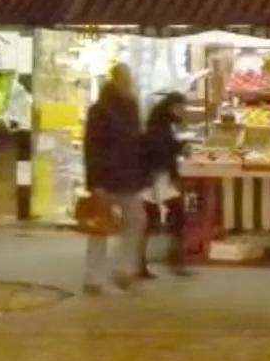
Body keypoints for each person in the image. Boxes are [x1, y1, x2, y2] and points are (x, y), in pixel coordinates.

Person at [79, 63, 148, 295]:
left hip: (128, 176)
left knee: (136, 220)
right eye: (127, 79)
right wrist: (95, 182)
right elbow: (92, 147)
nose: (131, 83)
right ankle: (94, 276)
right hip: (106, 177)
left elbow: (136, 141)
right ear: (118, 81)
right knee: (100, 225)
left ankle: (123, 269)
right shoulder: (100, 110)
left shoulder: (131, 106)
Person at [139, 89, 191, 278]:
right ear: (173, 107)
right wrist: (178, 150)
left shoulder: (160, 123)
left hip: (155, 178)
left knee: (151, 220)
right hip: (156, 178)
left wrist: (178, 147)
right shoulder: (160, 126)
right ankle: (173, 260)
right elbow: (160, 149)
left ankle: (141, 264)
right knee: (176, 214)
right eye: (182, 107)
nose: (184, 111)